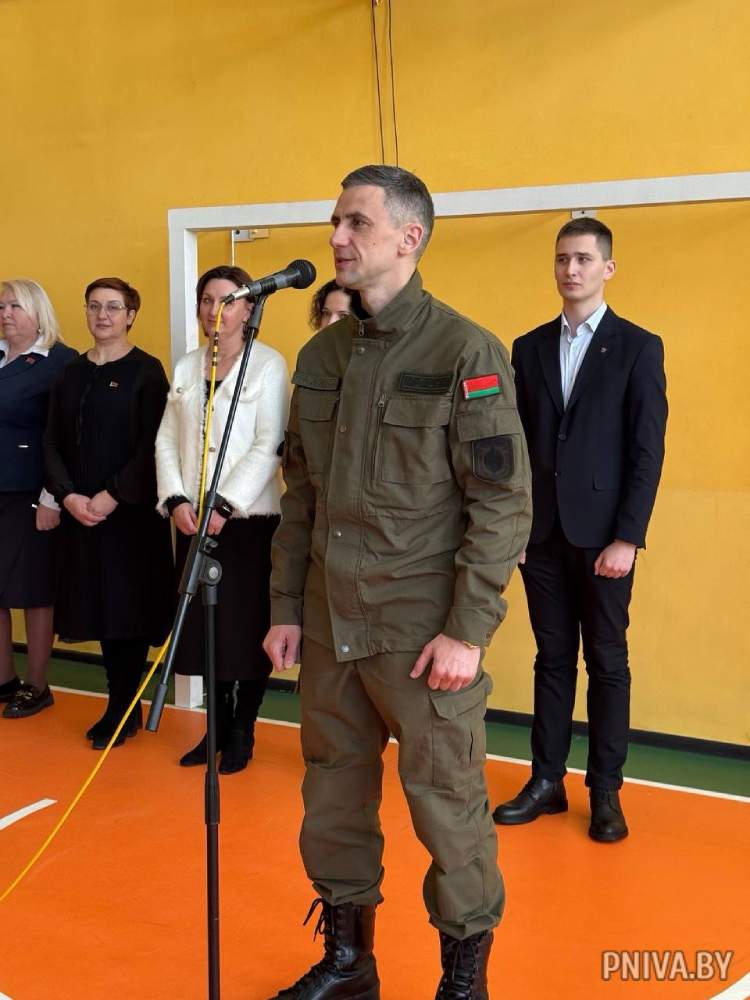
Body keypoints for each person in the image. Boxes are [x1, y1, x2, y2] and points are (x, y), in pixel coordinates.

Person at [263, 165, 531, 1000]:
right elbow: (301, 495)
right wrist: (285, 607)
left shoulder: (464, 351)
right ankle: (350, 963)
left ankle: (463, 980)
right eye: (335, 222)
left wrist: (468, 630)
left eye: (357, 223)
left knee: (447, 806)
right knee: (332, 797)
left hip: (421, 631)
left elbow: (501, 503)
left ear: (409, 238)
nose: (337, 237)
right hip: (328, 621)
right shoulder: (321, 355)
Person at [493, 217, 667, 843]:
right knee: (552, 660)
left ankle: (606, 790)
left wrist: (628, 537)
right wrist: (516, 527)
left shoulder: (638, 346)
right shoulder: (529, 346)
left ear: (607, 268)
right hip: (541, 536)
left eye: (584, 259)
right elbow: (518, 447)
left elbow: (647, 450)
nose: (571, 269)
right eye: (563, 258)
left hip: (604, 540)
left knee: (608, 662)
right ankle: (546, 781)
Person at [155, 265, 289, 774]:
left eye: (228, 301)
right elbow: (167, 439)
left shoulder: (268, 364)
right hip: (192, 520)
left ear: (249, 308)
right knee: (205, 632)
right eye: (208, 300)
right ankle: (214, 727)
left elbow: (270, 443)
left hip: (247, 522)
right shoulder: (188, 366)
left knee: (243, 629)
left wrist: (225, 504)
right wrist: (176, 499)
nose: (216, 311)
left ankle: (242, 730)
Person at [44, 277, 174, 749]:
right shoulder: (71, 372)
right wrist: (67, 496)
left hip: (129, 517)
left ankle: (122, 707)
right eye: (94, 306)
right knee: (97, 607)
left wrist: (113, 494)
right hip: (82, 514)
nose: (102, 315)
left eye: (113, 307)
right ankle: (120, 702)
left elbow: (154, 443)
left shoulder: (146, 371)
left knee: (126, 610)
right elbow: (51, 441)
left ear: (131, 315)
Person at [0, 279, 76, 718]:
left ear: (37, 311)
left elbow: (64, 436)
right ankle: (4, 679)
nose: (6, 314)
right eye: (2, 306)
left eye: (16, 306)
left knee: (33, 589)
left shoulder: (59, 361)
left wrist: (53, 496)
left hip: (31, 492)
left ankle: (37, 684)